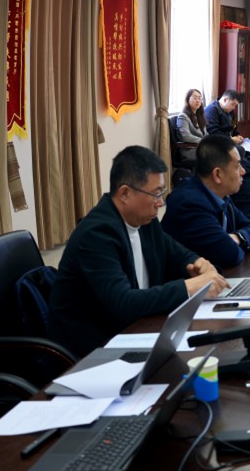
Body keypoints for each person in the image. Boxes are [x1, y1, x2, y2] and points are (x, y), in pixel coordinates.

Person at [46, 146, 229, 356]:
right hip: (92, 349)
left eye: (162, 192)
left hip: (137, 331)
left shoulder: (144, 221)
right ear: (125, 193)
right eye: (156, 193)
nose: (161, 202)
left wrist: (199, 263)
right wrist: (189, 287)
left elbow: (177, 253)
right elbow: (124, 303)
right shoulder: (97, 234)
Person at [162, 134, 250, 271]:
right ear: (218, 174)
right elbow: (231, 255)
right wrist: (238, 240)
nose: (243, 172)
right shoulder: (190, 204)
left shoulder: (220, 194)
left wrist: (238, 237)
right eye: (237, 166)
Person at [174, 89, 207, 161]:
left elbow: (205, 133)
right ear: (187, 99)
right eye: (195, 98)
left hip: (200, 147)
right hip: (189, 149)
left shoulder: (199, 116)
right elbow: (186, 137)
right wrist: (204, 141)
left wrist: (211, 140)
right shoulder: (183, 116)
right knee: (215, 155)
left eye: (199, 98)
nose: (198, 101)